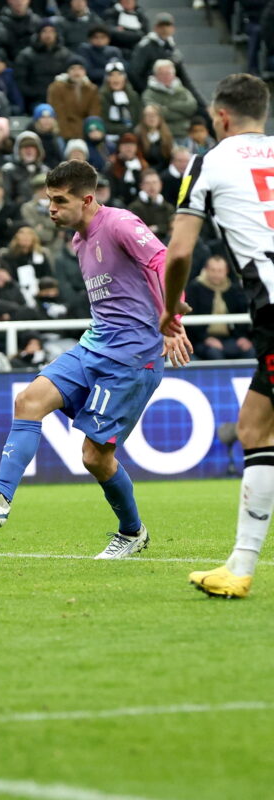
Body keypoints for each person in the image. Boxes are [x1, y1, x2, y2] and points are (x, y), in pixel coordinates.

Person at [0, 159, 192, 559]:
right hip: (94, 345)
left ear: (88, 199)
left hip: (132, 356)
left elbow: (161, 262)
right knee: (28, 401)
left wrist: (172, 317)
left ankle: (132, 532)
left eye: (60, 201)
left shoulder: (121, 224)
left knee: (95, 457)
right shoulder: (78, 240)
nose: (51, 209)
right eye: (49, 200)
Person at [160, 74, 274, 597]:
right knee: (253, 427)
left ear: (220, 117)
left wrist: (170, 309)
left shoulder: (209, 161)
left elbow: (180, 251)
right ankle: (240, 566)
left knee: (257, 433)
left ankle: (242, 569)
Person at [185, 255, 252, 361]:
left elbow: (242, 313)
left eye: (220, 270)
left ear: (226, 271)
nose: (216, 274)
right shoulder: (194, 289)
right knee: (214, 353)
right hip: (201, 340)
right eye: (213, 270)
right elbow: (189, 316)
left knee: (249, 350)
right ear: (206, 270)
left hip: (230, 338)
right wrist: (206, 338)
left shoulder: (234, 290)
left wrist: (242, 337)